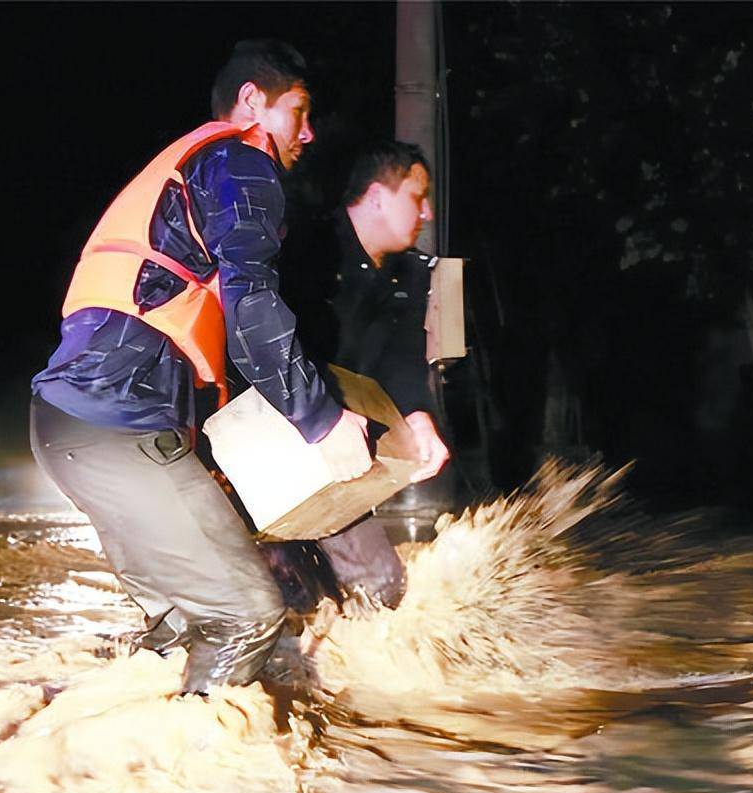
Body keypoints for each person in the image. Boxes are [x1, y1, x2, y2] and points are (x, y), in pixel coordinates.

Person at [29, 40, 376, 695]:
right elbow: (253, 309)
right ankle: (206, 791)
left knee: (199, 635)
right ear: (252, 102)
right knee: (247, 619)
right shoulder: (241, 159)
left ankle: (107, 759)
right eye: (298, 110)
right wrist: (321, 420)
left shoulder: (190, 171)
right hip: (116, 430)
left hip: (68, 431)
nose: (309, 131)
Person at [275, 140, 451, 613]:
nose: (428, 213)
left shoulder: (409, 273)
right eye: (418, 197)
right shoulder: (305, 249)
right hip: (279, 442)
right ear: (376, 198)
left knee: (374, 589)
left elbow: (404, 358)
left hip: (339, 457)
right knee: (368, 583)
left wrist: (418, 416)